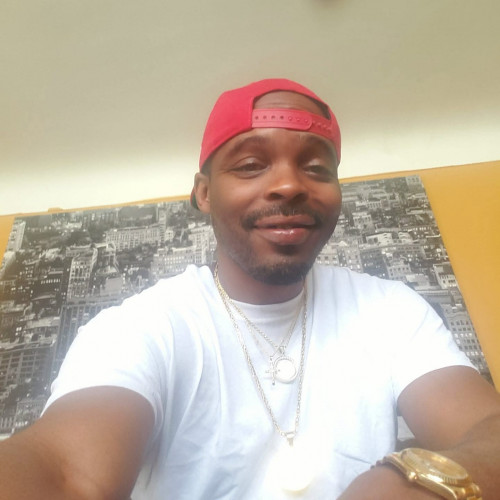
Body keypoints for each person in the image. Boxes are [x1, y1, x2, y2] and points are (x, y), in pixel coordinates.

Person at [1, 78, 499, 500]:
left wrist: (415, 483)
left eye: (316, 168)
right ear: (203, 192)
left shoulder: (391, 311)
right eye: (250, 165)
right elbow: (63, 472)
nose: (290, 185)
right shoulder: (140, 329)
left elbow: (487, 431)